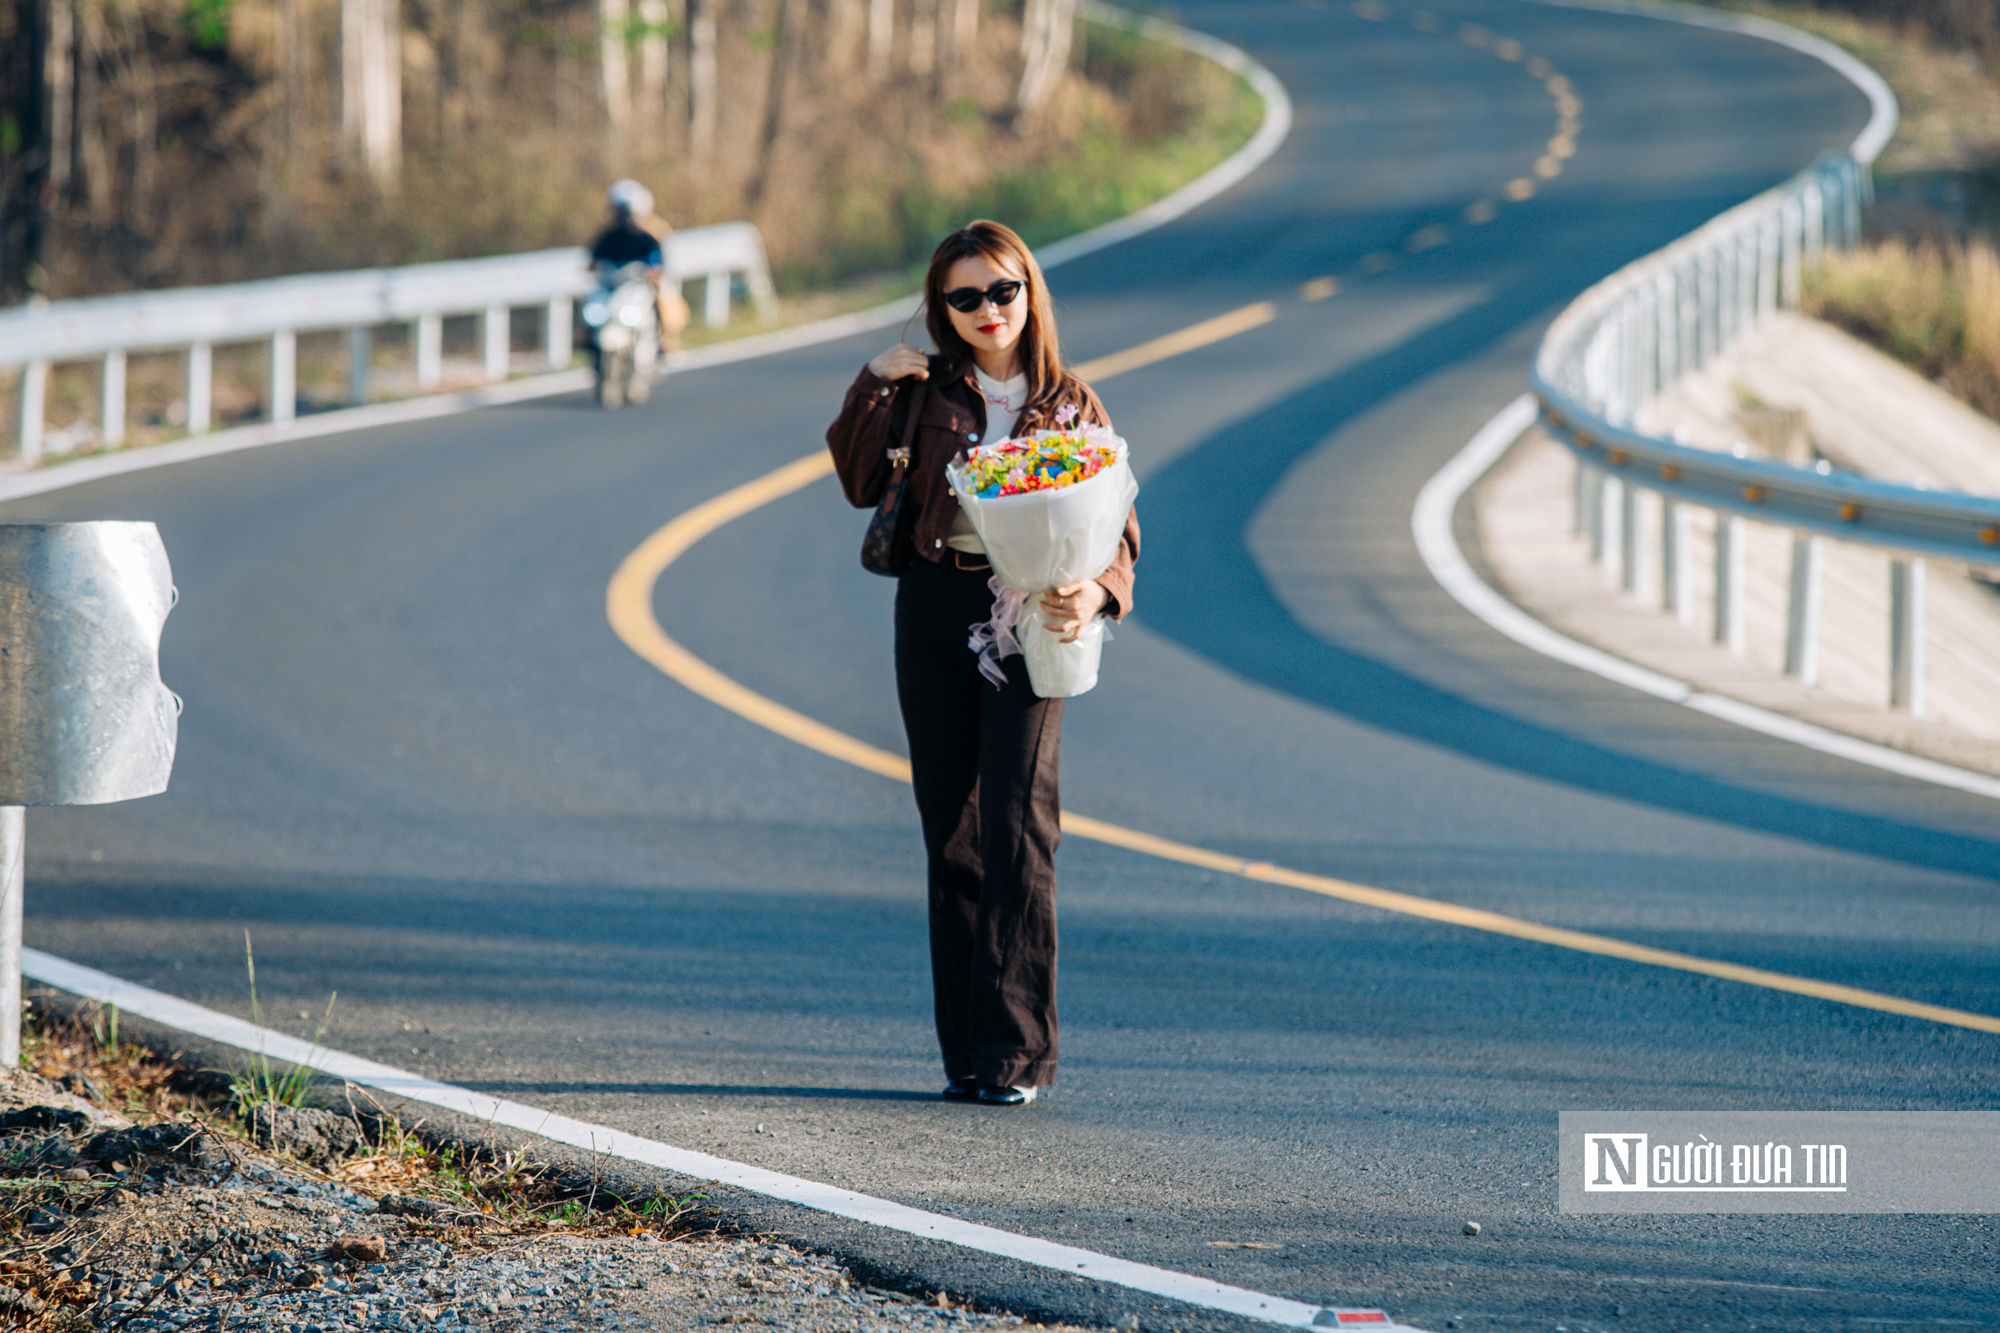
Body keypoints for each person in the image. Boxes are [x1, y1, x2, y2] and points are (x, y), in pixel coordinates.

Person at [825, 220, 1140, 1107]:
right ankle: (965, 1051)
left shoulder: (1072, 401)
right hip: (934, 607)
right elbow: (857, 479)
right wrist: (869, 384)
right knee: (951, 830)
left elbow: (1121, 522)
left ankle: (1016, 1054)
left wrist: (1098, 592)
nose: (988, 310)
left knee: (1021, 822)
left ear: (1029, 291)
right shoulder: (923, 392)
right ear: (943, 309)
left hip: (1034, 612)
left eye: (1002, 290)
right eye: (965, 297)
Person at [588, 180, 690, 353]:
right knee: (593, 302)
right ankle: (587, 337)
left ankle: (664, 337)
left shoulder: (652, 232)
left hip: (639, 283)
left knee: (660, 295)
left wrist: (653, 272)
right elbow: (595, 257)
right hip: (614, 283)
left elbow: (659, 260)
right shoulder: (609, 235)